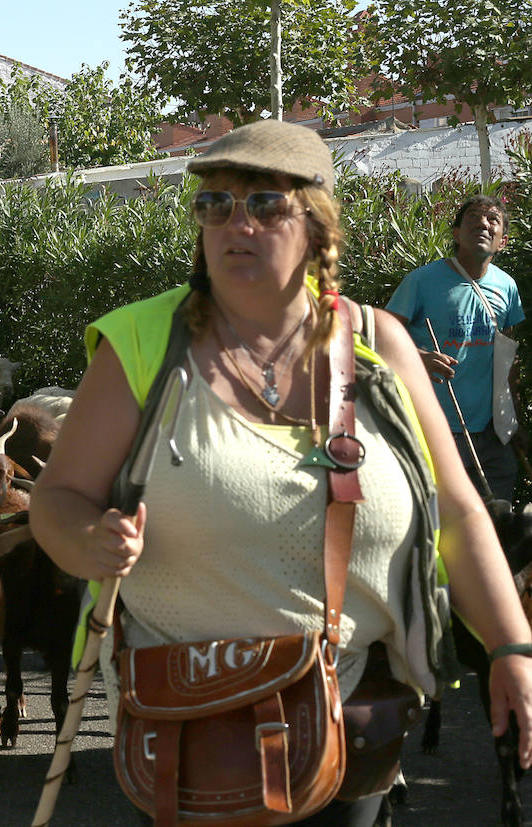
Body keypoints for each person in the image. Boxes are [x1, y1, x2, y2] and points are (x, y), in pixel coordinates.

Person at [30, 120, 532, 825]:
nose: (235, 222)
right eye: (215, 205)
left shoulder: (379, 344)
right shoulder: (142, 342)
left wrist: (512, 645)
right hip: (188, 722)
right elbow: (55, 499)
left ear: (318, 224)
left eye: (263, 203)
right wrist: (88, 538)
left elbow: (458, 510)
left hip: (351, 723)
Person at [386, 196, 523, 501]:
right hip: (435, 427)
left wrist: (513, 423)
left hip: (492, 431)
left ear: (503, 241)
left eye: (493, 220)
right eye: (473, 217)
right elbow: (380, 337)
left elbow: (508, 359)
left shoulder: (507, 287)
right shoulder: (421, 282)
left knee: (495, 520)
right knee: (442, 520)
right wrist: (420, 358)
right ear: (456, 234)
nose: (483, 224)